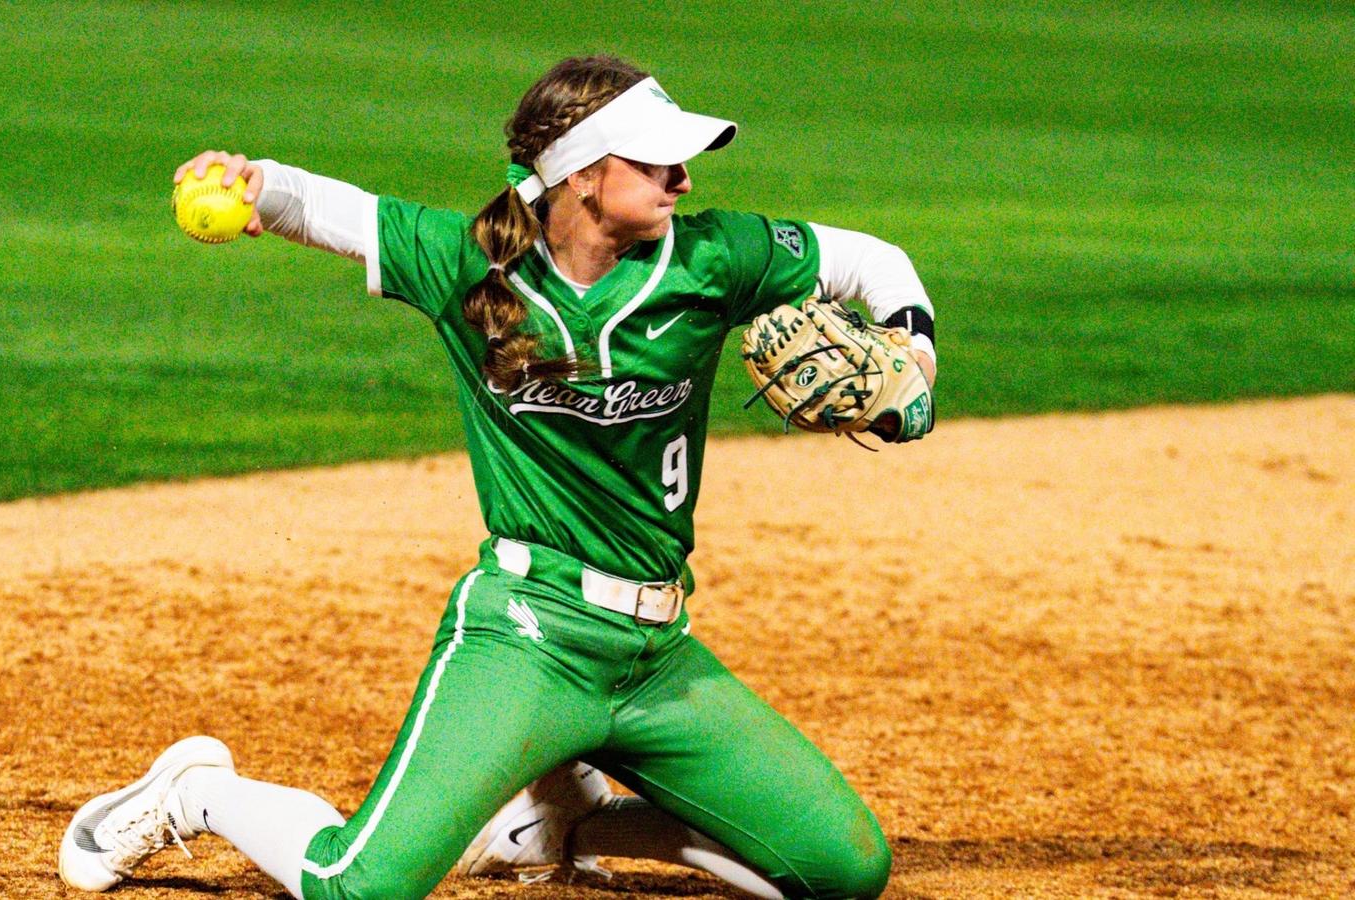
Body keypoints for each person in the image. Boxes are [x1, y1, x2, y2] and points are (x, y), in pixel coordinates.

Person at [58, 55, 936, 900]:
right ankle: (198, 792)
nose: (684, 181)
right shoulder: (472, 264)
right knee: (357, 885)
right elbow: (344, 212)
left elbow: (872, 262)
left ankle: (555, 825)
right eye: (660, 160)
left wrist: (916, 363)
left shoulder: (714, 259)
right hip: (527, 638)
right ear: (584, 175)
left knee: (842, 871)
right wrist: (254, 186)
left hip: (657, 658)